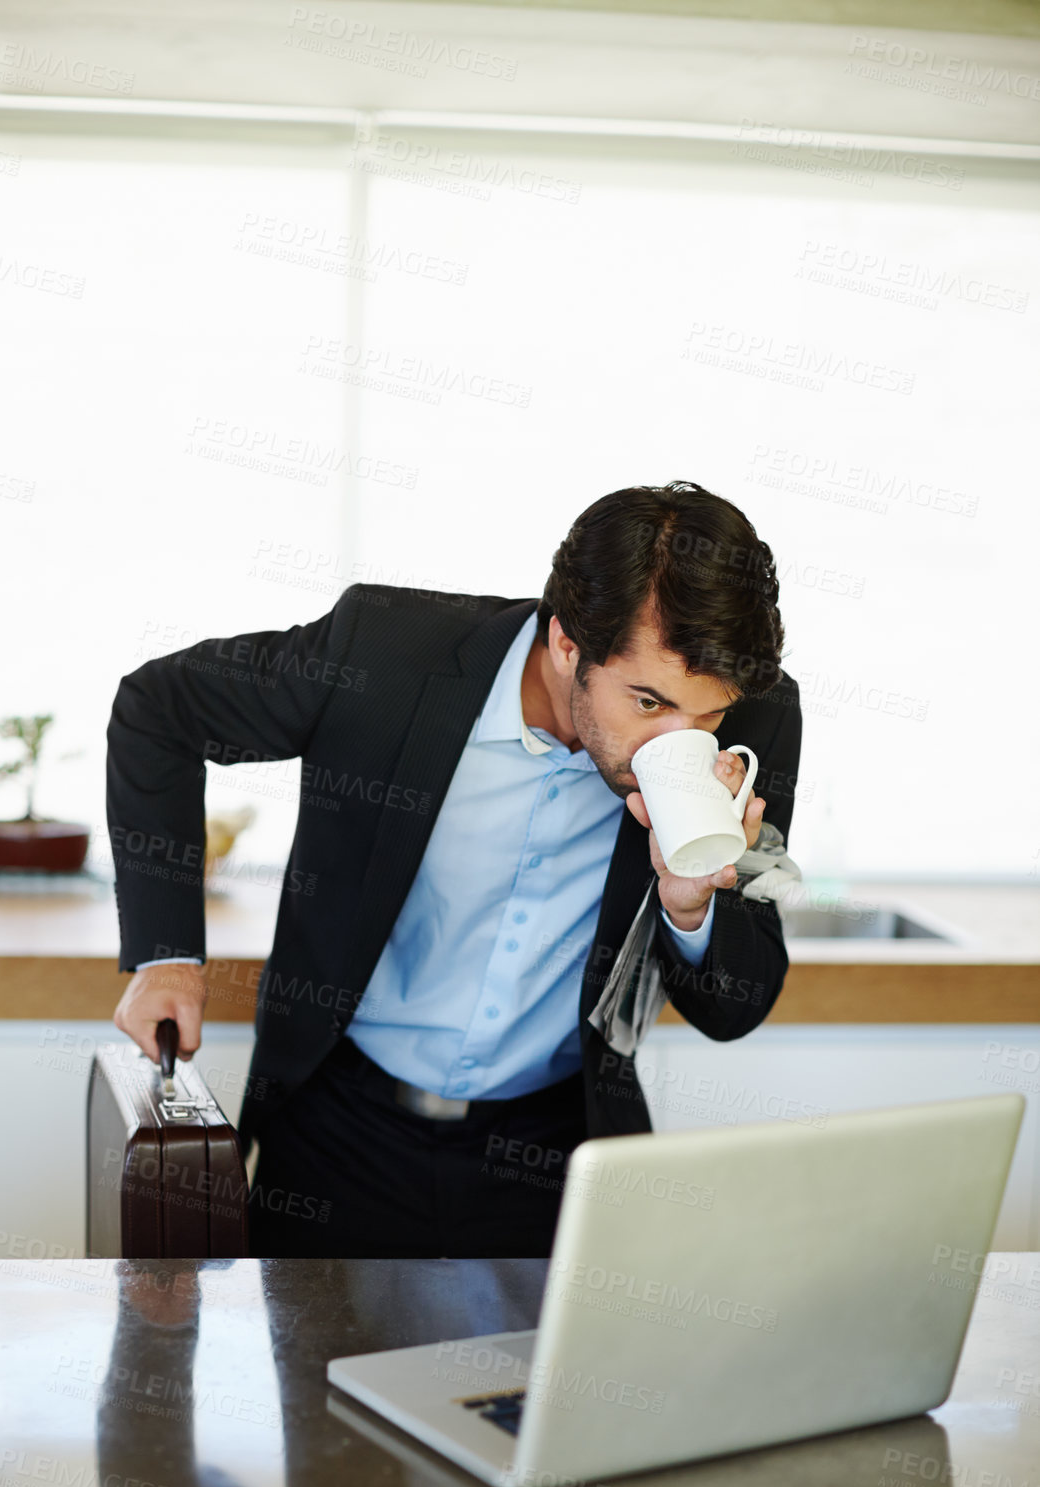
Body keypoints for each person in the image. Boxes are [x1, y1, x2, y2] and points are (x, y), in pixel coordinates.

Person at [106, 481, 802, 1257]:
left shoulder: (758, 720)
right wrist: (168, 956)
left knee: (540, 1383)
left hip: (556, 1152)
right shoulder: (387, 652)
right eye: (648, 703)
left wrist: (689, 907)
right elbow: (159, 711)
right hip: (339, 1132)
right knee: (309, 1378)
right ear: (567, 643)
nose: (679, 743)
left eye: (705, 718)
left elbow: (732, 1009)